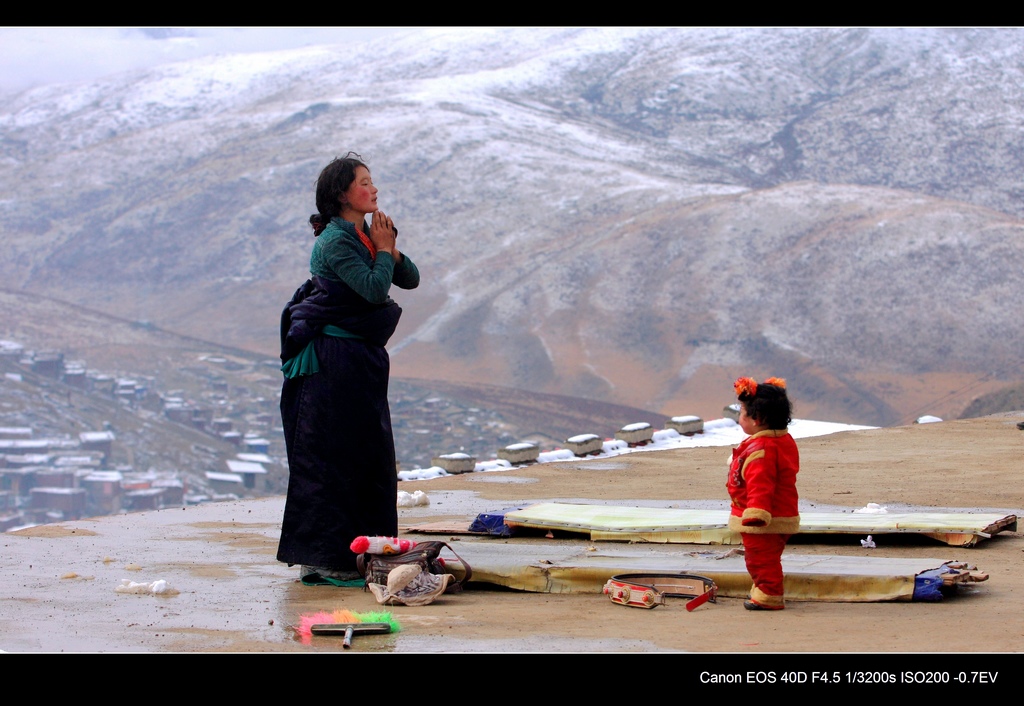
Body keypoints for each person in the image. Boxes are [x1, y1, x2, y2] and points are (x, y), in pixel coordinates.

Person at [277, 152, 420, 585]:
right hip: (331, 363)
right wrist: (381, 250)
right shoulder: (336, 241)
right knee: (331, 457)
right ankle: (322, 558)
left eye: (373, 181)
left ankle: (362, 551)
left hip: (360, 364)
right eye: (364, 182)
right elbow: (375, 291)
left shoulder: (362, 234)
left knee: (367, 457)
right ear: (342, 195)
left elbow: (408, 279)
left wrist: (388, 246)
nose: (373, 189)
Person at [727, 376, 800, 610]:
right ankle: (762, 590)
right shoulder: (780, 441)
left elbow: (761, 484)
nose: (739, 418)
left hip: (763, 520)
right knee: (766, 557)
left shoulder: (762, 450)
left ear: (756, 420)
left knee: (761, 559)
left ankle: (769, 595)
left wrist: (756, 513)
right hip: (781, 513)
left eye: (742, 413)